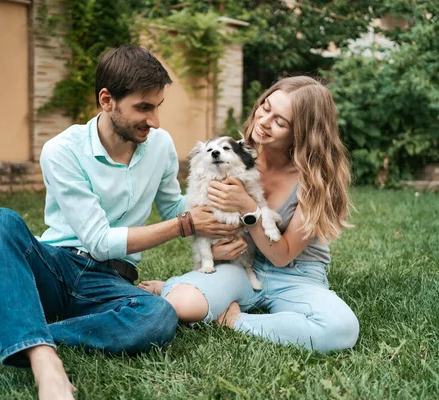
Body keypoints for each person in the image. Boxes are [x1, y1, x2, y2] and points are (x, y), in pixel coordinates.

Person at [0, 45, 241, 400]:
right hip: (55, 269)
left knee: (158, 316)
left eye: (157, 107)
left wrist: (223, 204)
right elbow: (102, 240)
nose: (155, 121)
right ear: (107, 100)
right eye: (143, 108)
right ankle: (45, 361)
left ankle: (18, 333)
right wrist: (185, 224)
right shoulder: (63, 150)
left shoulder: (161, 145)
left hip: (110, 282)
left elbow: (173, 207)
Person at [139, 76, 360, 352]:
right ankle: (175, 286)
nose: (264, 121)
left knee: (341, 329)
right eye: (265, 107)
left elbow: (282, 255)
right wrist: (217, 251)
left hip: (296, 275)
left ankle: (233, 319)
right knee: (181, 305)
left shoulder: (317, 179)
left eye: (280, 122)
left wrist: (248, 207)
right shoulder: (230, 155)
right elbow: (204, 216)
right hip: (241, 267)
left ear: (302, 133)